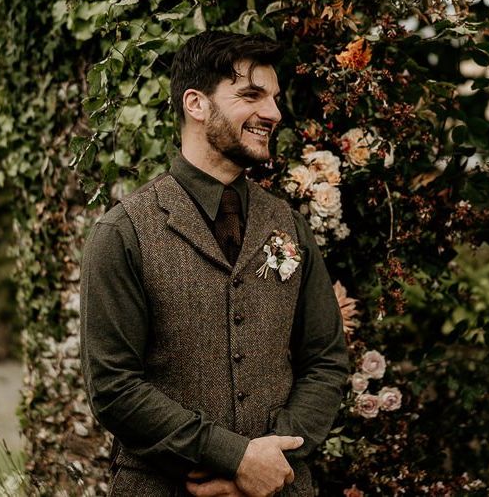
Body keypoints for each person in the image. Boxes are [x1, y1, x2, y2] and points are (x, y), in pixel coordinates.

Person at [80, 31, 349, 497]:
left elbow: (325, 362)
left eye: (275, 99)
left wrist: (269, 461)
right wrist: (233, 457)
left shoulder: (288, 225)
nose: (273, 113)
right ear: (196, 104)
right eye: (251, 95)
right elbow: (113, 386)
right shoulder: (123, 232)